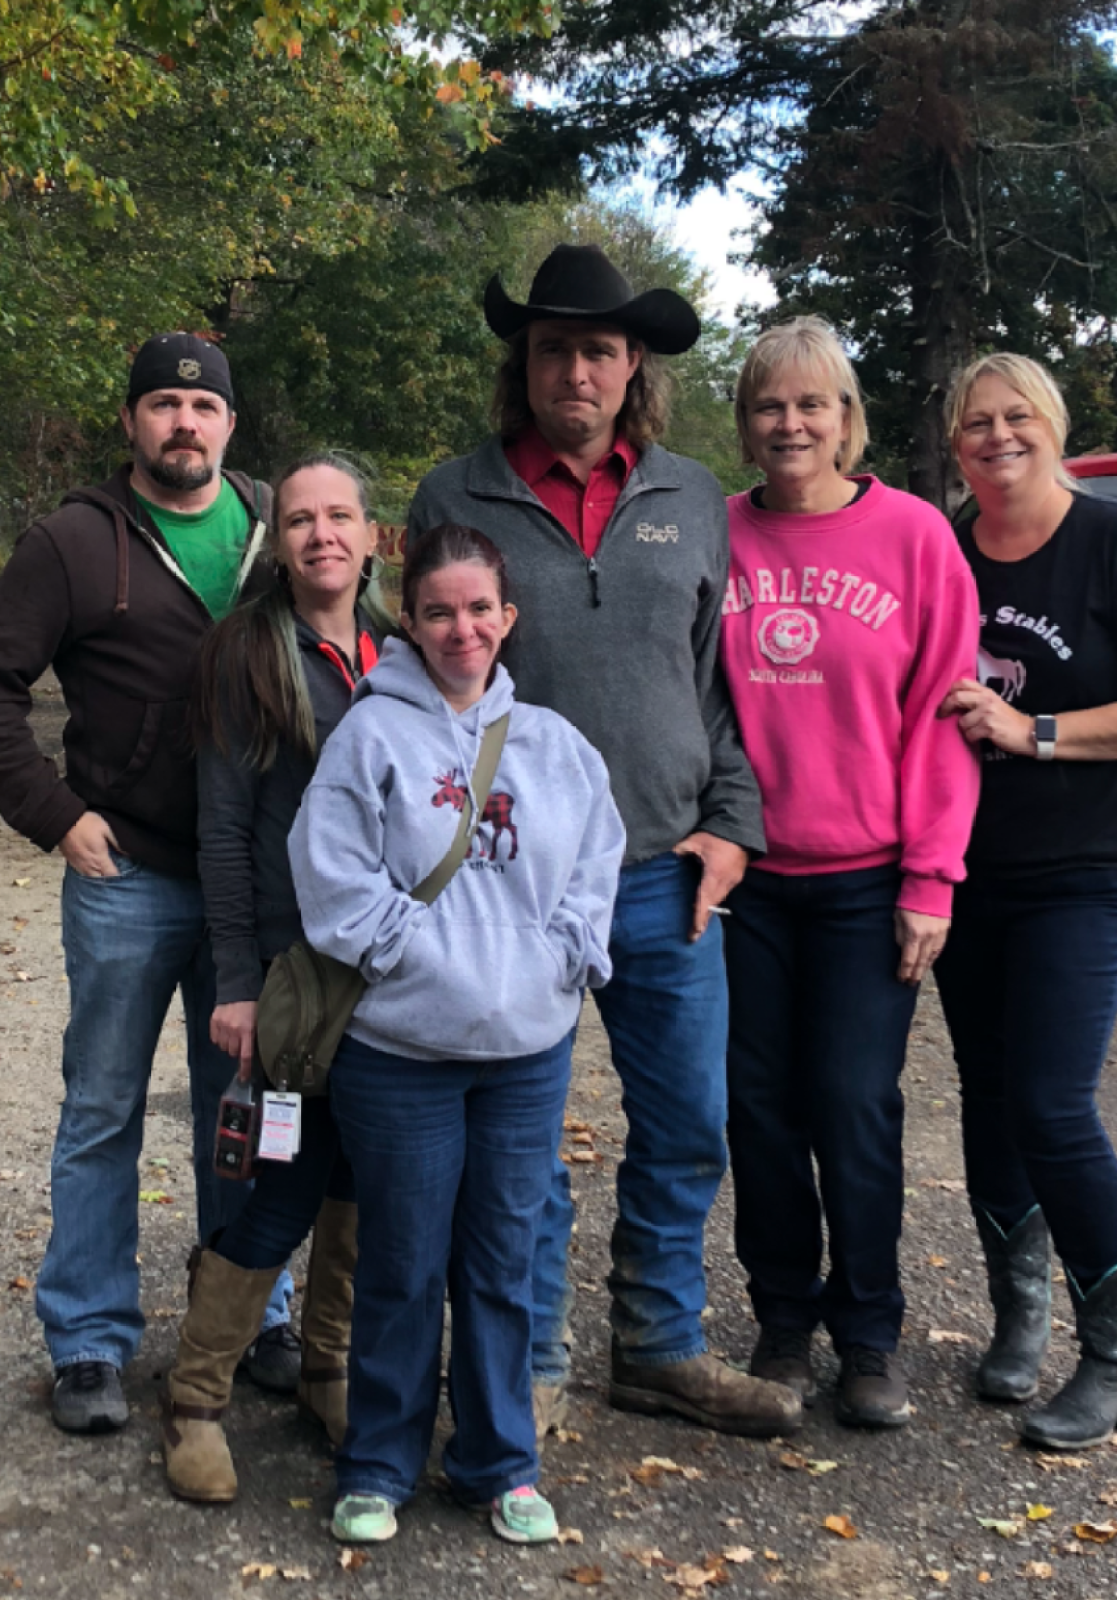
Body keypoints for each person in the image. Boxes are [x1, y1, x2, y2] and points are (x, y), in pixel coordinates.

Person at [406, 244, 802, 1441]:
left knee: (687, 1123)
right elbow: (427, 687)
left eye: (598, 349)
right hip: (510, 885)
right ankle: (528, 1352)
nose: (574, 369)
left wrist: (731, 827)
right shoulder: (453, 495)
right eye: (552, 349)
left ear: (635, 367)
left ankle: (659, 1343)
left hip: (666, 873)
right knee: (522, 1135)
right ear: (521, 365)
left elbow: (716, 683)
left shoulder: (690, 499)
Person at [286, 522, 625, 1546]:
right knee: (400, 1258)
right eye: (439, 611)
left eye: (480, 609)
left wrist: (559, 957)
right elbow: (334, 881)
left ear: (507, 618)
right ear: (413, 621)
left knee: (501, 1257)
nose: (461, 628)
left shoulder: (558, 747)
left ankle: (498, 1459)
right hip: (404, 1053)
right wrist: (422, 961)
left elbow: (594, 870)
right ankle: (381, 1461)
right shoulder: (370, 738)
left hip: (526, 1054)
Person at [0, 334, 296, 1434]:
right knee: (103, 1107)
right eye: (163, 403)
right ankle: (86, 1336)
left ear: (229, 422)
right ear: (131, 420)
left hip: (247, 886)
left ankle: (248, 1314)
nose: (184, 422)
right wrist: (57, 815)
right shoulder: (71, 543)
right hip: (125, 870)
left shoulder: (275, 529)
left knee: (249, 1107)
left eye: (203, 405)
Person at [719, 317, 980, 1427]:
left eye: (812, 403)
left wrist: (933, 873)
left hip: (871, 876)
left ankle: (870, 1334)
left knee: (855, 1107)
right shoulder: (712, 533)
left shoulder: (916, 537)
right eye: (771, 404)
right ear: (746, 421)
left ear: (847, 418)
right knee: (758, 1110)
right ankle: (782, 1320)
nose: (791, 423)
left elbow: (945, 717)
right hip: (743, 880)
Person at [936, 352, 1117, 1449]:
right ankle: (1019, 1315)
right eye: (976, 423)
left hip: (1085, 869)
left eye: (1017, 417)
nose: (998, 437)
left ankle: (1116, 1355)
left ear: (1054, 424)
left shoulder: (1114, 539)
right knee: (989, 1098)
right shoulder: (943, 543)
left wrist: (1035, 732)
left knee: (1051, 1102)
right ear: (955, 443)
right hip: (963, 869)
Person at [163, 452, 391, 1502]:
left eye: (339, 514)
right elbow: (220, 831)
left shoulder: (406, 651)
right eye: (299, 519)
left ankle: (326, 1364)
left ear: (371, 533)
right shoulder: (246, 655)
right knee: (278, 1180)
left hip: (388, 975)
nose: (321, 535)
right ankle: (197, 1398)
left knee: (354, 1179)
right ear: (280, 540)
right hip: (289, 976)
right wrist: (237, 981)